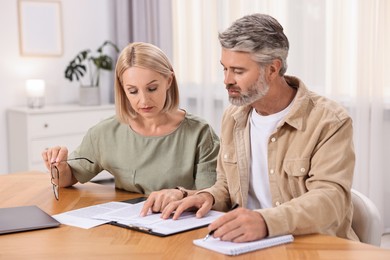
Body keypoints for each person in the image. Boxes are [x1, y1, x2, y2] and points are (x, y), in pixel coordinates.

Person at [142, 13, 359, 243]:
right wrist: (205, 196)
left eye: (238, 71)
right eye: (224, 68)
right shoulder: (234, 117)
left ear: (272, 69)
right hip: (250, 244)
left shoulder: (329, 121)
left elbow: (330, 199)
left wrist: (266, 222)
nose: (226, 80)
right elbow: (227, 186)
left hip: (314, 246)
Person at [42, 42, 220, 209]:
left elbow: (214, 197)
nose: (143, 100)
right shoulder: (105, 133)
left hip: (180, 228)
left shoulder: (200, 134)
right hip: (128, 231)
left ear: (169, 81)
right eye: (133, 91)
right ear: (122, 89)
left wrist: (180, 194)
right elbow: (69, 178)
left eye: (152, 88)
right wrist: (59, 167)